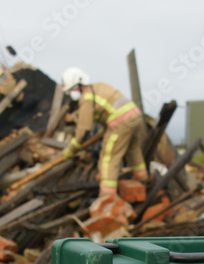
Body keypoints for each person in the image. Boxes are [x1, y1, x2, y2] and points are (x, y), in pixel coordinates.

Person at [60, 67, 149, 196]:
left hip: (120, 122)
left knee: (108, 157)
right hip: (135, 115)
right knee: (133, 149)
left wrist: (71, 149)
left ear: (76, 87)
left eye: (71, 91)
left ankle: (107, 197)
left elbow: (83, 131)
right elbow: (107, 109)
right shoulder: (99, 86)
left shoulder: (86, 99)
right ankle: (143, 180)